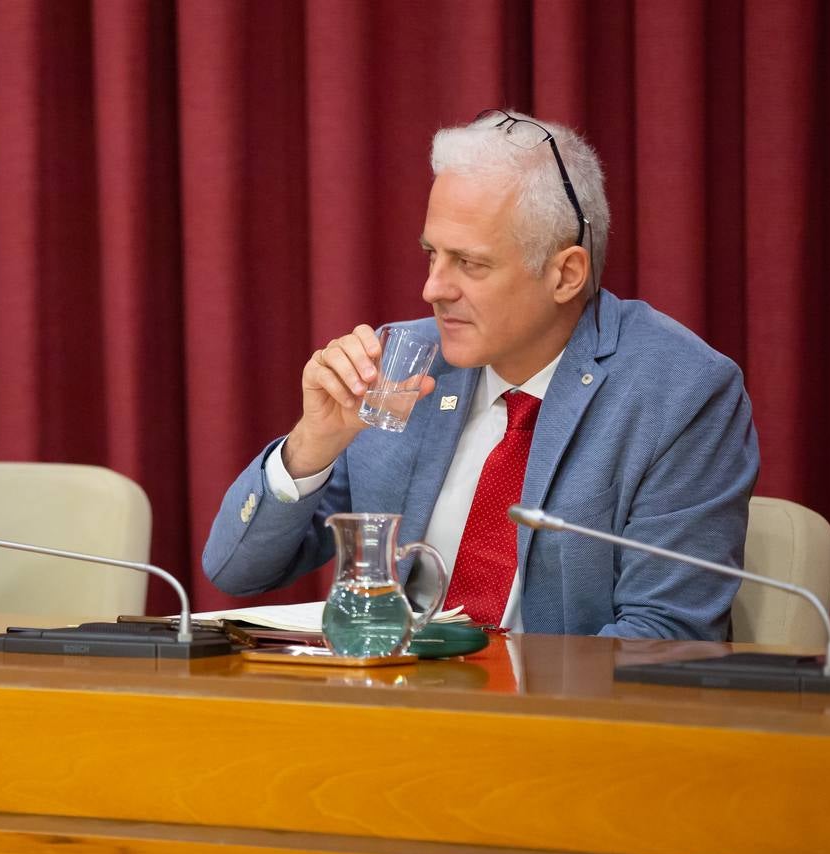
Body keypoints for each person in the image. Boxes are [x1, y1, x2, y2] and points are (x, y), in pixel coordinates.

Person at [202, 109, 759, 640]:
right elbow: (237, 571)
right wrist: (312, 444)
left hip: (554, 728)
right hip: (386, 709)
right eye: (431, 255)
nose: (433, 289)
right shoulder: (402, 366)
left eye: (469, 264)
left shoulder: (680, 392)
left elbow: (664, 635)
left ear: (565, 274)